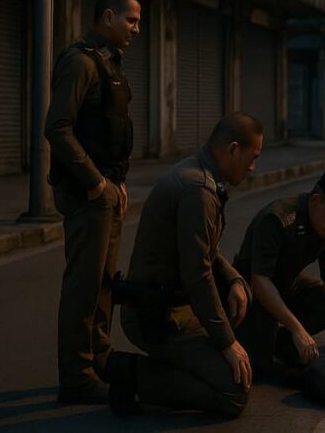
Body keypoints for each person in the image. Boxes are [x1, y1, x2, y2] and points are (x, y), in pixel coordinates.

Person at [104, 113, 263, 418]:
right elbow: (198, 274)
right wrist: (227, 342)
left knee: (240, 360)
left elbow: (205, 251)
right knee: (233, 393)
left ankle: (176, 366)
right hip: (157, 316)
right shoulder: (198, 190)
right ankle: (132, 374)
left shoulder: (202, 173)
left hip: (174, 307)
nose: (253, 166)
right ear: (232, 149)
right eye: (252, 156)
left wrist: (233, 280)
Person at [45, 0, 141, 404]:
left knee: (104, 284)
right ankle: (77, 377)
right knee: (83, 288)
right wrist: (95, 182)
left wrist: (116, 182)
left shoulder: (110, 63)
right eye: (131, 20)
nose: (137, 29)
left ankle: (99, 359)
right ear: (107, 17)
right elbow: (58, 127)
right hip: (87, 194)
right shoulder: (80, 62)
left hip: (107, 192)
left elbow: (110, 129)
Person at [233, 168, 325, 376]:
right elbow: (260, 281)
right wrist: (298, 329)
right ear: (316, 201)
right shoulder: (278, 218)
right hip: (250, 292)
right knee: (258, 368)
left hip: (285, 284)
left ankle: (284, 343)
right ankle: (275, 340)